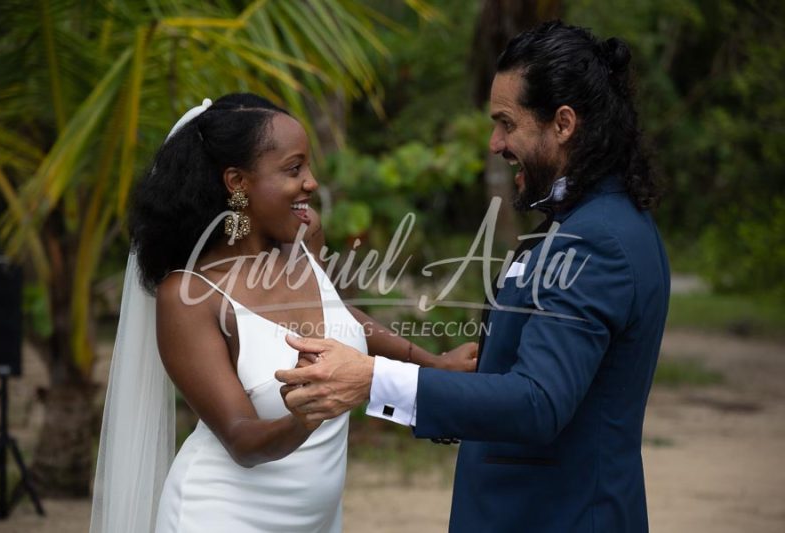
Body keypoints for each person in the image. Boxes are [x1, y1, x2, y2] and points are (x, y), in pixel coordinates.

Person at [276, 21, 670, 533]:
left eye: (506, 123)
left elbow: (538, 401)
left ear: (563, 123)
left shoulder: (595, 239)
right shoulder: (589, 222)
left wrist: (374, 380)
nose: (494, 143)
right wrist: (461, 374)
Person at [88, 93, 476, 533]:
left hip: (316, 521)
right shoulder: (191, 295)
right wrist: (302, 419)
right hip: (220, 516)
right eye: (294, 169)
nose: (311, 182)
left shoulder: (304, 238)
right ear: (237, 182)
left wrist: (430, 364)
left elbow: (339, 316)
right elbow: (241, 438)